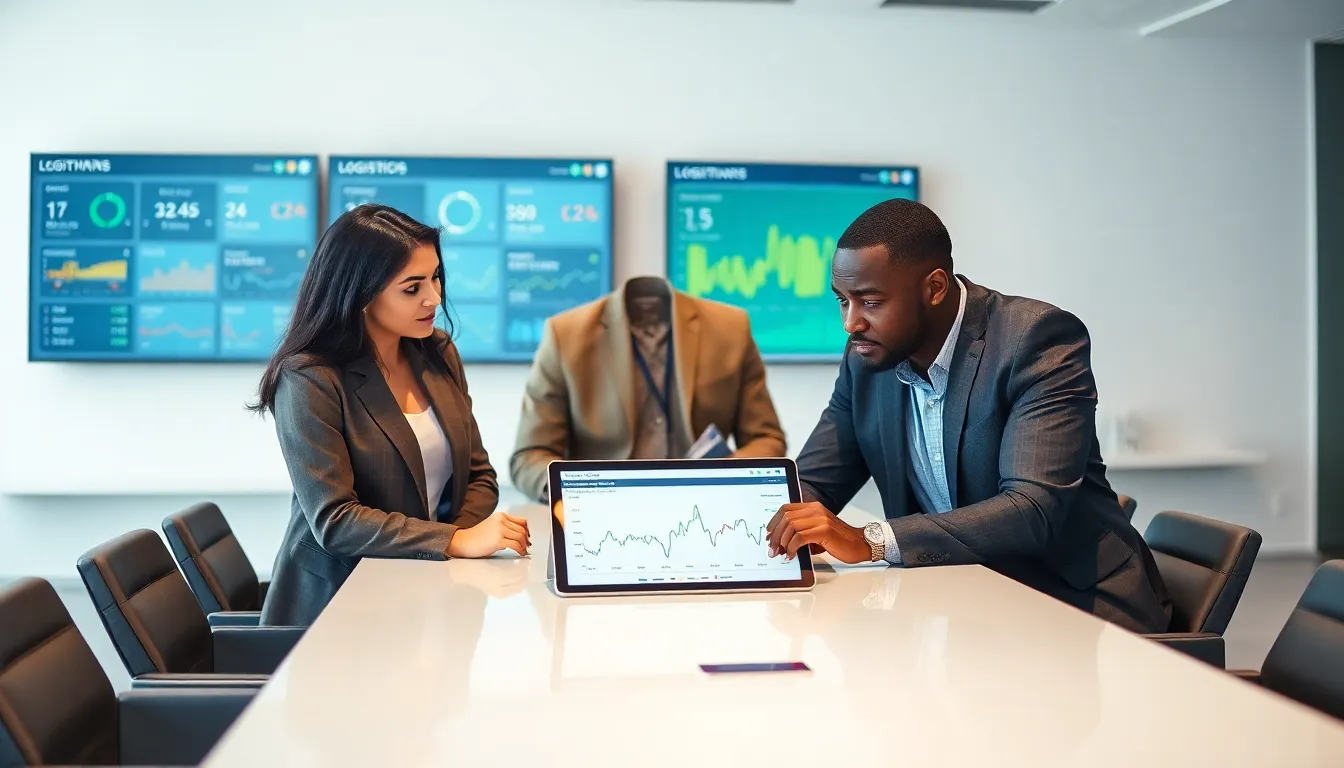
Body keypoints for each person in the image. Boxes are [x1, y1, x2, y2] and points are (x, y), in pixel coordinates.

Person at [767, 199, 1171, 634]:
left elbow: (1031, 510)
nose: (851, 323)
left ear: (935, 287)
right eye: (842, 301)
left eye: (870, 301)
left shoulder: (1035, 340)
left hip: (1071, 608)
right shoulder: (867, 360)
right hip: (961, 606)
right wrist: (773, 523)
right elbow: (813, 483)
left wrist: (868, 541)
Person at [250, 204, 530, 627]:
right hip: (338, 609)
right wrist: (455, 540)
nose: (434, 297)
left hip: (435, 595)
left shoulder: (438, 353)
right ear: (360, 293)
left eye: (435, 277)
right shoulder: (310, 377)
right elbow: (336, 521)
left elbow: (478, 475)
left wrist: (456, 549)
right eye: (411, 287)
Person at [510, 275, 786, 501]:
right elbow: (529, 456)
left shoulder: (729, 328)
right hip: (604, 515)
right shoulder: (566, 335)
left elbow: (767, 438)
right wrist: (575, 492)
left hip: (704, 508)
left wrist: (725, 474)